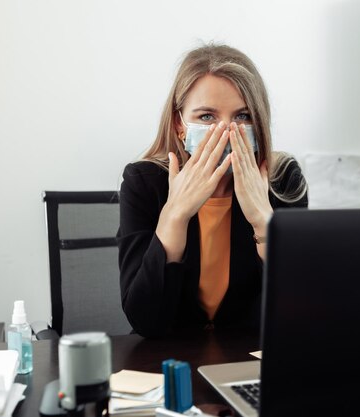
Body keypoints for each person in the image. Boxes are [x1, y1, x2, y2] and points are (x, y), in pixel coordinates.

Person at [117, 43, 308, 338]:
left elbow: (300, 313)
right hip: (170, 357)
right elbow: (145, 321)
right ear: (180, 125)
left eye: (243, 117)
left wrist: (264, 222)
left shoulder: (283, 181)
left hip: (248, 360)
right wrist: (175, 216)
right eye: (207, 117)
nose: (227, 131)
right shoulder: (144, 181)